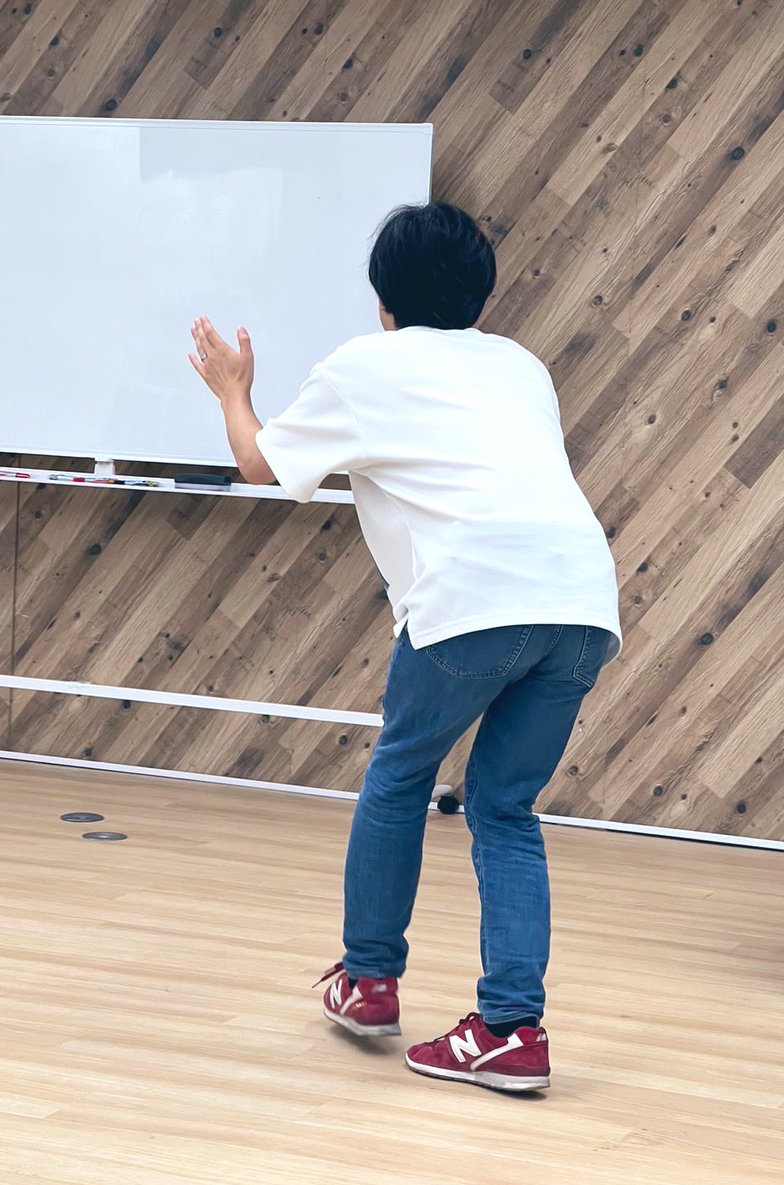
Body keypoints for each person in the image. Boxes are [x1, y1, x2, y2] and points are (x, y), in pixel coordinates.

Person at [188, 201, 622, 1092]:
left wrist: (233, 393)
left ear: (382, 297)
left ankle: (369, 981)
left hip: (472, 599)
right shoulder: (522, 365)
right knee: (506, 808)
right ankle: (512, 1032)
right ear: (481, 292)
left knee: (401, 773)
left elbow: (263, 467)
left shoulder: (366, 364)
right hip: (582, 602)